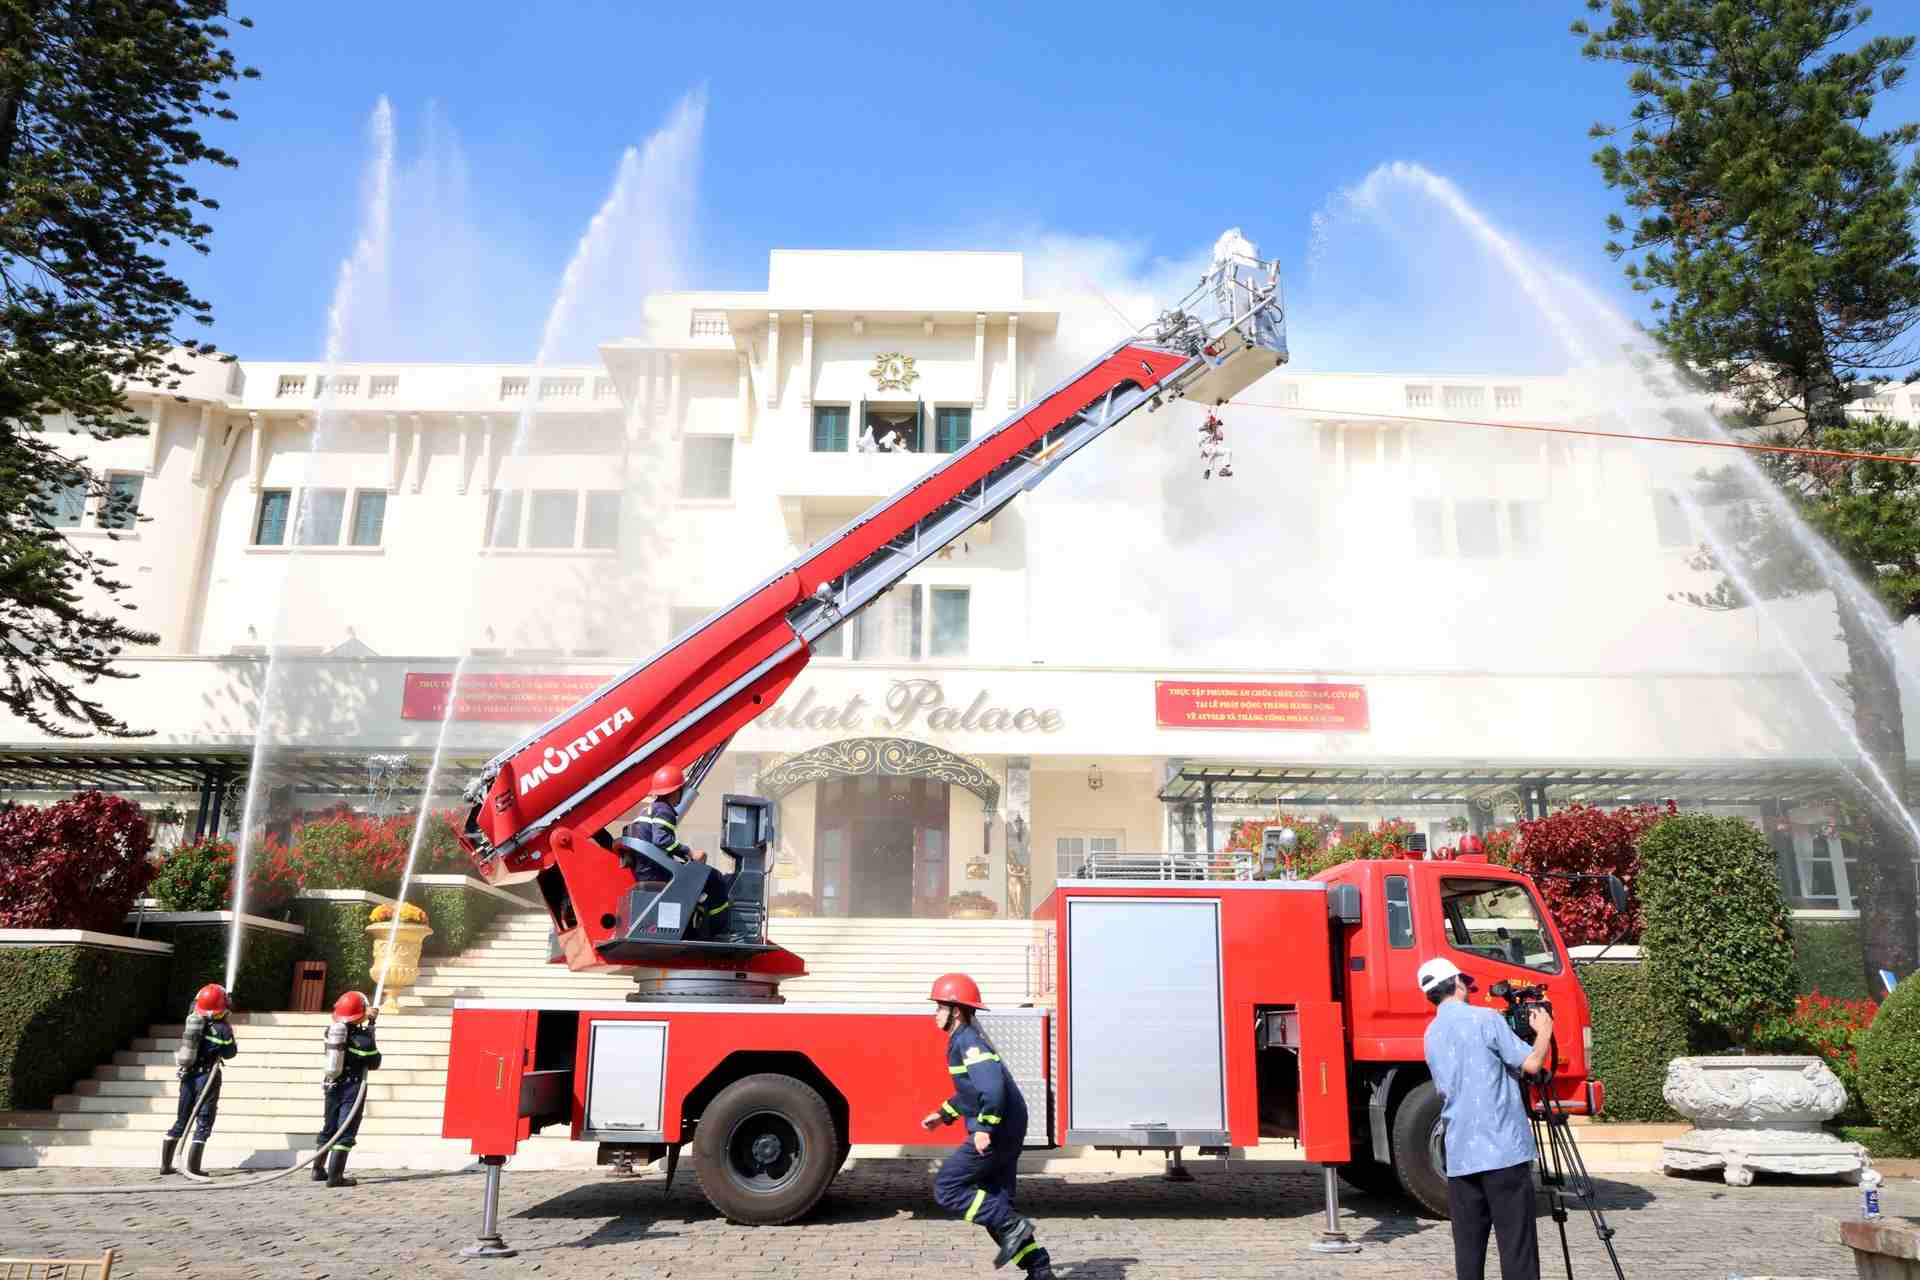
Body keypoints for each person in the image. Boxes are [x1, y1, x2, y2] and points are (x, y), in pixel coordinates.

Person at [1419, 956, 1554, 1280]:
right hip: (1503, 1151)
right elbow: (1531, 1065)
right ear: (1457, 983)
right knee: (1516, 1249)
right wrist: (1544, 1032)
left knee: (1468, 1252)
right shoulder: (1486, 1019)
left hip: (1461, 1155)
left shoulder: (1431, 1034)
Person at [920, 974, 1055, 1278]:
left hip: (999, 1132)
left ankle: (1013, 1225)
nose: (934, 1013)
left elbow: (993, 1090)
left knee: (948, 1188)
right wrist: (944, 1113)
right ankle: (1039, 1268)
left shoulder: (968, 1042)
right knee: (995, 1204)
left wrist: (984, 1128)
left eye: (939, 1007)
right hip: (1006, 1129)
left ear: (956, 1010)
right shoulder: (963, 1040)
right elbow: (973, 1091)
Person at [619, 764, 733, 939]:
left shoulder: (647, 810)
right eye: (681, 789)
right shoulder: (665, 810)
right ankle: (720, 932)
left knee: (698, 880)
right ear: (675, 791)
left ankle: (697, 919)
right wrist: (689, 853)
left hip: (648, 871)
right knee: (715, 879)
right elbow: (661, 840)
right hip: (658, 873)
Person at [162, 983, 237, 1176]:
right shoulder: (222, 1030)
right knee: (204, 1120)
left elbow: (198, 1003)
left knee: (181, 1120)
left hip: (188, 1075)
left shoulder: (193, 1019)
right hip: (207, 1077)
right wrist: (227, 1022)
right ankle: (194, 1167)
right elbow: (230, 1053)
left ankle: (165, 1165)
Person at [316, 991, 382, 1187]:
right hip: (352, 1087)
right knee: (345, 1130)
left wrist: (365, 1020)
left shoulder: (332, 1031)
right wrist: (370, 1030)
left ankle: (318, 1169)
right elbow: (375, 1062)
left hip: (332, 1084)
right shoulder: (362, 1040)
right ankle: (335, 1177)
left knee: (329, 1127)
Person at [1198, 411, 1233, 478]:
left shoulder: (1215, 429)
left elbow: (1221, 437)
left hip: (1214, 447)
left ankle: (1224, 469)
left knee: (1228, 451)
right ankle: (1208, 470)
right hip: (1207, 448)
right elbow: (1202, 429)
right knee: (1212, 451)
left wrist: (1217, 427)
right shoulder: (1203, 431)